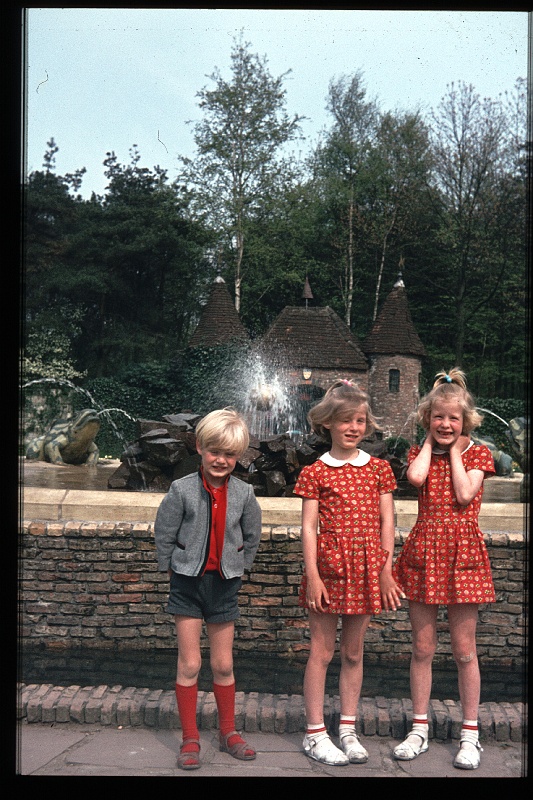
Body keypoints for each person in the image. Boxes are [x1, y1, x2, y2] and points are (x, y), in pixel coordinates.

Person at [294, 379, 404, 766]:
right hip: (328, 568)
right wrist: (313, 576)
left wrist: (386, 570)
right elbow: (309, 527)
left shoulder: (379, 469)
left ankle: (347, 729)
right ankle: (314, 733)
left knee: (353, 653)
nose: (353, 427)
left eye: (360, 420)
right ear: (329, 424)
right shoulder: (315, 471)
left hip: (365, 569)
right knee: (321, 652)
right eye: (345, 421)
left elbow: (387, 522)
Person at [392, 368, 496, 770]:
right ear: (427, 419)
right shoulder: (420, 453)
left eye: (454, 418)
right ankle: (419, 729)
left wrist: (453, 451)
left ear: (466, 420)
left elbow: (465, 493)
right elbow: (416, 478)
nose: (446, 424)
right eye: (438, 417)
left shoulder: (479, 453)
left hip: (462, 553)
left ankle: (470, 734)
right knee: (422, 648)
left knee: (465, 651)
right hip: (424, 551)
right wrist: (429, 445)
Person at [154, 408, 262, 770]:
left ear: (239, 456)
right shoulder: (181, 489)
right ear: (200, 447)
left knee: (223, 663)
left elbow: (251, 534)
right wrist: (171, 569)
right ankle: (190, 737)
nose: (221, 460)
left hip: (223, 585)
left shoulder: (245, 493)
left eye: (229, 454)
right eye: (215, 451)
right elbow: (164, 534)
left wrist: (239, 566)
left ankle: (228, 731)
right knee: (190, 663)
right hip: (186, 584)